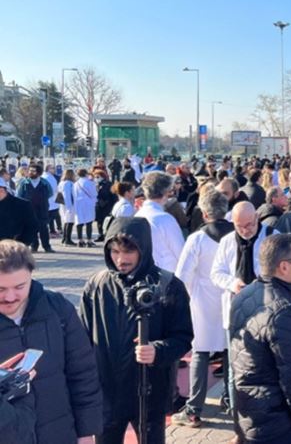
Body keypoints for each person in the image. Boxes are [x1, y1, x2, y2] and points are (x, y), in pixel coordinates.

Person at [79, 217, 193, 444]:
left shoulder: (168, 285)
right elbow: (81, 340)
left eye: (128, 252)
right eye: (114, 251)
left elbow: (183, 337)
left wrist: (158, 351)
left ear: (144, 248)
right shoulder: (96, 285)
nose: (121, 259)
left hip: (150, 391)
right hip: (107, 393)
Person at [0, 240, 103, 443]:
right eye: (1, 289)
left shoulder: (57, 309)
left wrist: (86, 431)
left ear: (31, 276)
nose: (10, 297)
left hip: (59, 431)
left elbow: (83, 373)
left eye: (20, 286)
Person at [229, 233, 291, 443]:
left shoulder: (242, 296)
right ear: (283, 266)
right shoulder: (285, 311)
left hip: (248, 411)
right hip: (276, 421)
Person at [171, 190, 233, 427]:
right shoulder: (237, 235)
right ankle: (230, 399)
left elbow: (182, 276)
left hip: (202, 301)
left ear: (204, 213)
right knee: (229, 352)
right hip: (230, 298)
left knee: (201, 352)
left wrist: (184, 301)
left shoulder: (197, 239)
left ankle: (194, 408)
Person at [211, 201, 277, 410]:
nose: (246, 230)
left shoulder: (273, 236)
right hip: (236, 310)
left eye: (249, 225)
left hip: (266, 310)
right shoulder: (227, 241)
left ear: (257, 218)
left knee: (266, 364)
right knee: (235, 367)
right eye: (240, 226)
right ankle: (237, 415)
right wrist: (232, 283)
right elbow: (216, 273)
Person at [135, 171, 185, 272]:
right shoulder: (165, 219)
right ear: (166, 192)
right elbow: (181, 254)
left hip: (143, 273)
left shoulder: (137, 216)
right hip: (165, 275)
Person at [16, 164, 54, 253]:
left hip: (42, 209)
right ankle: (34, 246)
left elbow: (50, 193)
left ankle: (47, 247)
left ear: (39, 172)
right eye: (30, 170)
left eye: (33, 171)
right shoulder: (24, 183)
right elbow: (19, 195)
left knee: (43, 228)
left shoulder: (44, 182)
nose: (31, 172)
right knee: (32, 228)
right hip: (28, 209)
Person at [0, 177, 36, 246]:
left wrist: (21, 244)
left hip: (14, 250)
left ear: (1, 190)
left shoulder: (22, 205)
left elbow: (32, 226)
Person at [74, 168, 98, 248]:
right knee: (89, 222)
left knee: (79, 222)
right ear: (85, 174)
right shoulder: (89, 183)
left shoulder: (76, 184)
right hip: (88, 204)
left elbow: (73, 195)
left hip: (78, 203)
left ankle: (80, 240)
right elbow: (94, 193)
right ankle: (89, 240)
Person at [94, 170, 117, 242]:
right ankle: (100, 235)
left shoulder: (108, 184)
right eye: (95, 177)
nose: (96, 178)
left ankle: (107, 235)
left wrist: (112, 205)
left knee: (107, 221)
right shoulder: (96, 184)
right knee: (99, 221)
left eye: (98, 176)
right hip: (98, 205)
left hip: (107, 205)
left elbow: (113, 195)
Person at [42, 164, 62, 237]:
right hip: (50, 200)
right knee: (50, 217)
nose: (54, 169)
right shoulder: (47, 177)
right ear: (47, 169)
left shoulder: (50, 176)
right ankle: (49, 231)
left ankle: (52, 230)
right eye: (52, 168)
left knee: (51, 216)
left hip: (52, 200)